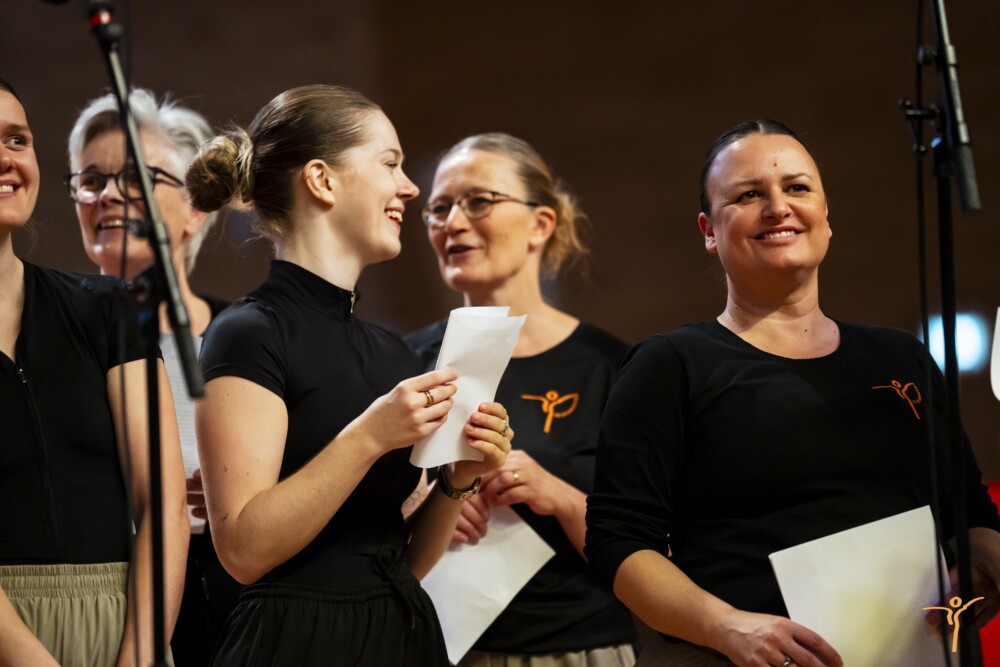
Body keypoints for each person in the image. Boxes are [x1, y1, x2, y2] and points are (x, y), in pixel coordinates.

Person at [584, 119, 1000, 667]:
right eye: (749, 195)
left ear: (825, 215)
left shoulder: (903, 357)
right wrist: (729, 627)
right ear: (709, 231)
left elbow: (969, 510)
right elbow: (618, 541)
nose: (778, 207)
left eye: (797, 188)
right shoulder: (670, 365)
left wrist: (984, 568)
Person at [185, 84, 513, 666]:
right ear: (321, 180)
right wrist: (369, 436)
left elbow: (402, 563)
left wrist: (459, 478)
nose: (409, 188)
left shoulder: (392, 352)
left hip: (400, 635)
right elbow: (242, 551)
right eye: (389, 163)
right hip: (298, 643)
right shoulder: (248, 333)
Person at [406, 132, 636, 667]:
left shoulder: (612, 367)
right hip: (439, 647)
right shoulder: (404, 362)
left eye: (478, 201)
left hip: (581, 649)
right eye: (439, 208)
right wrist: (427, 502)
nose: (452, 222)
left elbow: (657, 547)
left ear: (541, 223)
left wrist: (559, 496)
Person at [0, 77, 188, 666]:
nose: (6, 159)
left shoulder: (108, 307)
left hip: (123, 626)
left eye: (16, 139)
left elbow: (163, 506)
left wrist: (139, 657)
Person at [66, 88, 240, 665]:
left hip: (229, 606)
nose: (109, 195)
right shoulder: (55, 339)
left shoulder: (244, 342)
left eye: (137, 177)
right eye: (91, 180)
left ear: (196, 209)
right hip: (101, 603)